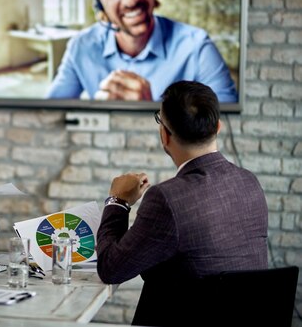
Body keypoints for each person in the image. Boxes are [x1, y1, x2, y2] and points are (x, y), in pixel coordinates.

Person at [95, 81, 267, 324]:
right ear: (218, 127)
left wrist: (118, 202)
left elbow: (111, 270)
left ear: (164, 135)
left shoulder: (167, 199)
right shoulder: (250, 183)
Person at [46, 0, 238, 102]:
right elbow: (47, 114)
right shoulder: (80, 47)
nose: (130, 0)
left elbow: (228, 126)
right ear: (99, 4)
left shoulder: (197, 46)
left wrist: (151, 112)